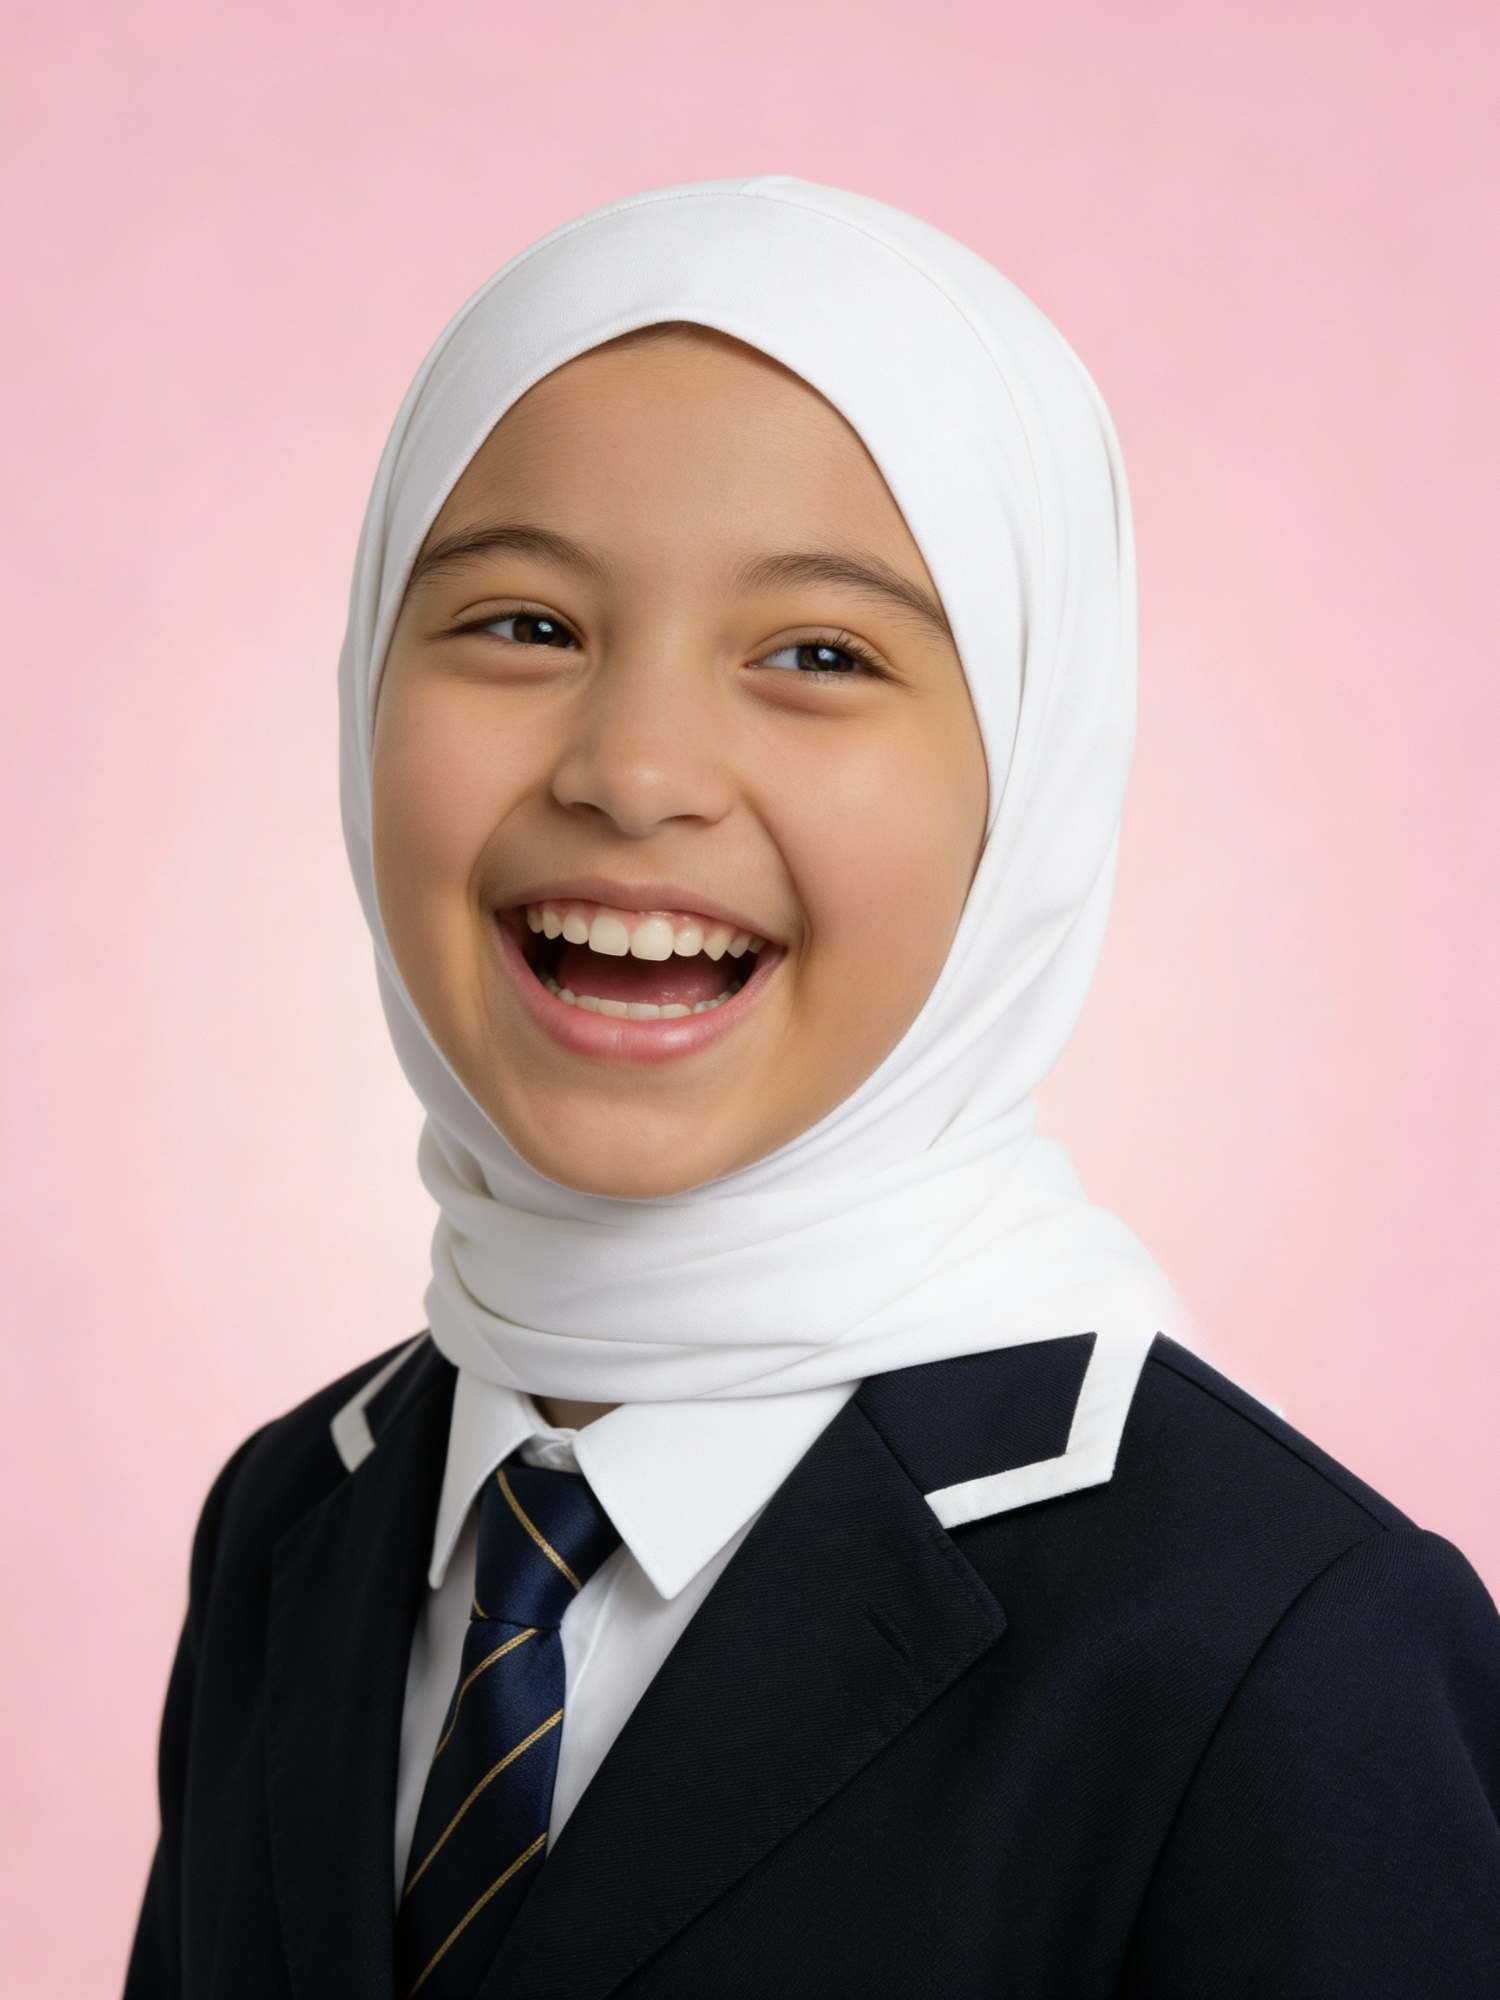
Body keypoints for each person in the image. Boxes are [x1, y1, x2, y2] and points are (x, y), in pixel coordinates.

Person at [124, 175, 1500, 2000]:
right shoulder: (293, 1521)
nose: (636, 769)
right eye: (524, 625)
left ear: (1031, 779)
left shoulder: (1276, 1648)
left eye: (818, 656)